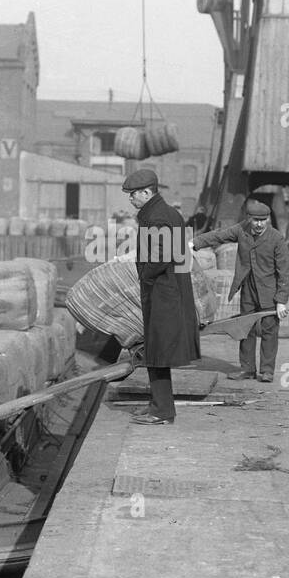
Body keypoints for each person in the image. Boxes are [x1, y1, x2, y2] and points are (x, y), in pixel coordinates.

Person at [124, 168, 201, 425]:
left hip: (161, 292)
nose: (131, 199)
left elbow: (158, 257)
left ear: (147, 192)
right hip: (169, 289)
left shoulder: (156, 217)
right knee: (156, 352)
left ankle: (163, 411)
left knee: (158, 351)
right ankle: (158, 404)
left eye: (133, 194)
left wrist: (145, 276)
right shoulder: (168, 213)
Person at [192, 199, 289, 383]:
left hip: (269, 292)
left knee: (269, 331)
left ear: (268, 220)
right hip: (248, 288)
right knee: (245, 329)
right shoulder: (241, 230)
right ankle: (247, 369)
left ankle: (267, 371)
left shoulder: (276, 238)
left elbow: (286, 271)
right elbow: (219, 235)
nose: (259, 224)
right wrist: (195, 243)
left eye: (263, 220)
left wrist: (281, 300)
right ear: (249, 219)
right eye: (255, 220)